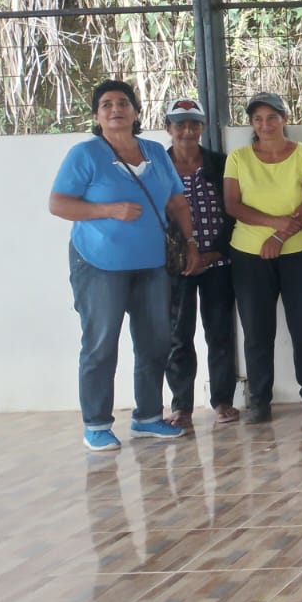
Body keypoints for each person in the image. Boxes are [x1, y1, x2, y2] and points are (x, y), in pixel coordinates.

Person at [50, 80, 198, 450]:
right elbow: (59, 204)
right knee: (100, 345)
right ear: (96, 116)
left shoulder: (155, 152)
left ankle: (147, 418)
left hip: (152, 264)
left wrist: (191, 242)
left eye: (122, 103)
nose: (115, 109)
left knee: (155, 342)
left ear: (135, 111)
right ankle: (97, 424)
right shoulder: (85, 154)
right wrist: (108, 210)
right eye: (106, 104)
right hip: (98, 263)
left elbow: (177, 202)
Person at [223, 91, 302, 422]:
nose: (265, 124)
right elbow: (232, 205)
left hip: (301, 249)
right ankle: (259, 400)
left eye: (271, 117)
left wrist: (281, 236)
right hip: (249, 254)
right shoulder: (238, 158)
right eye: (258, 119)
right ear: (251, 123)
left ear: (285, 119)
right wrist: (274, 224)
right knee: (256, 330)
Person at [160, 97, 237, 427]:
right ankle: (182, 406)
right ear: (168, 128)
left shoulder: (220, 164)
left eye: (194, 124)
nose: (188, 131)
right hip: (175, 266)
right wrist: (181, 255)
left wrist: (216, 252)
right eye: (180, 125)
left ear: (203, 128)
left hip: (217, 263)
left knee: (219, 332)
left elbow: (233, 211)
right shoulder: (157, 165)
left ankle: (223, 401)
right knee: (178, 335)